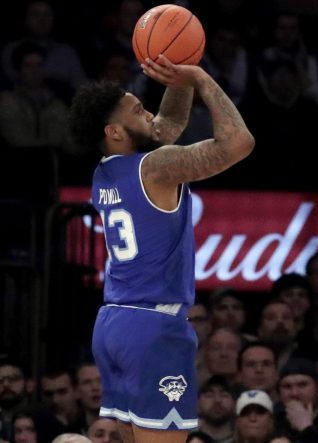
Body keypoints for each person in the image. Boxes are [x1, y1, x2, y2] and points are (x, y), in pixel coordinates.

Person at [69, 51, 255, 443]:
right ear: (114, 131)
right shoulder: (156, 167)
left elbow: (167, 124)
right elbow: (239, 143)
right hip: (154, 329)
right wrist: (201, 80)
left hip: (113, 325)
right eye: (139, 111)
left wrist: (178, 76)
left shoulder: (105, 170)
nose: (151, 115)